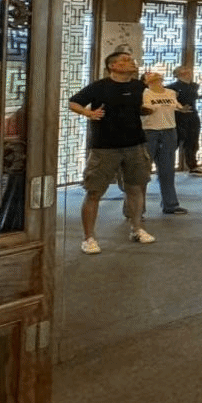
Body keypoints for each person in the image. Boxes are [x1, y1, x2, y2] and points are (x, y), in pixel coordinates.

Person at [68, 51, 157, 253]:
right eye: (125, 60)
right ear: (113, 66)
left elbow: (139, 106)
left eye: (131, 59)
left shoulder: (138, 86)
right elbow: (73, 102)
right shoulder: (99, 86)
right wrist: (88, 113)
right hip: (105, 147)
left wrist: (145, 110)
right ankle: (89, 238)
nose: (131, 62)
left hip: (135, 144)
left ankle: (137, 229)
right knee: (94, 192)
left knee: (136, 188)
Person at [141, 70, 187, 215]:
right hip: (149, 132)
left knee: (167, 169)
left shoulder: (170, 93)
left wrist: (183, 109)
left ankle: (170, 204)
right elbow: (141, 110)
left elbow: (178, 106)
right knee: (142, 171)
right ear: (145, 81)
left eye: (157, 76)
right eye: (149, 76)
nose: (154, 77)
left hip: (169, 131)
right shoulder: (144, 94)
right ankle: (136, 209)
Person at [167, 63, 202, 176]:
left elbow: (192, 97)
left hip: (192, 116)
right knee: (175, 142)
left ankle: (192, 166)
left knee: (192, 141)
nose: (189, 74)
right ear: (178, 74)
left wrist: (201, 97)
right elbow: (169, 102)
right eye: (185, 72)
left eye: (189, 72)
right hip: (178, 117)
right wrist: (179, 108)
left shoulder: (194, 86)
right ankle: (166, 167)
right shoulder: (171, 87)